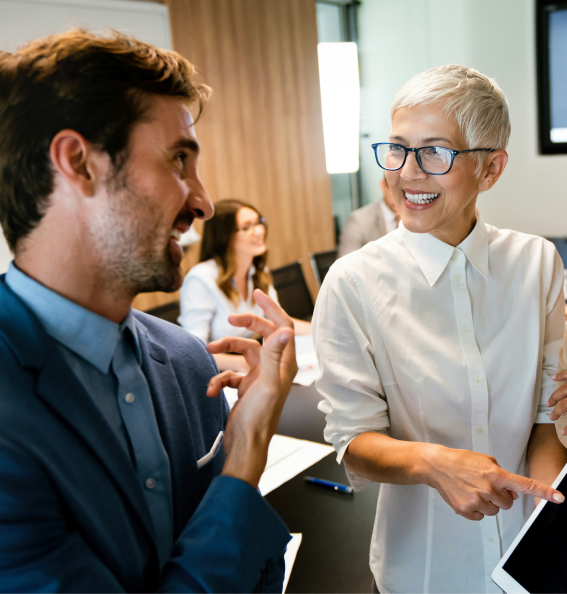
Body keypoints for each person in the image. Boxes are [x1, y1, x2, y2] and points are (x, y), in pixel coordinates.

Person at [0, 29, 298, 592]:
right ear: (79, 162)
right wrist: (243, 464)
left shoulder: (186, 359)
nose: (204, 202)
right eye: (179, 161)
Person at [312, 64, 567, 594]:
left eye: (435, 151)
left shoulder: (536, 263)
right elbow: (352, 438)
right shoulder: (353, 282)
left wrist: (543, 526)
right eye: (398, 148)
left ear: (490, 169)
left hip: (527, 566)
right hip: (422, 572)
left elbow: (548, 415)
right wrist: (432, 462)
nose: (407, 172)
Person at [179, 198, 311, 372]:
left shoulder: (256, 269)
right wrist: (248, 364)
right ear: (224, 236)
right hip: (222, 374)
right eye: (247, 227)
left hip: (253, 364)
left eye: (259, 222)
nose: (258, 231)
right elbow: (194, 352)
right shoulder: (200, 278)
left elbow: (280, 321)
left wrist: (319, 331)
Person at [337, 176, 400, 257]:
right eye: (394, 187)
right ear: (383, 185)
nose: (399, 193)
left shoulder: (415, 220)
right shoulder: (358, 221)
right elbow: (346, 266)